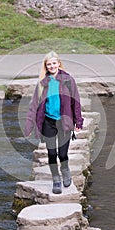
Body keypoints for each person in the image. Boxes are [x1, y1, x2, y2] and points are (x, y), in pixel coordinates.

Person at [24, 51, 84, 194]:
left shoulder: (68, 80)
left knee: (62, 154)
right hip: (48, 122)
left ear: (59, 64)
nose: (52, 66)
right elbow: (34, 106)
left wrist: (79, 122)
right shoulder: (42, 83)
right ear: (46, 66)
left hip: (64, 122)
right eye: (48, 64)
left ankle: (65, 169)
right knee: (51, 153)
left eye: (54, 63)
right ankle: (56, 179)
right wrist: (29, 126)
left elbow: (76, 102)